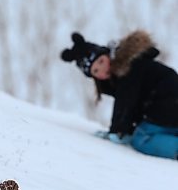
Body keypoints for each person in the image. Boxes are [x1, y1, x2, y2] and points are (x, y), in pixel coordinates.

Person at [61, 31, 178, 160]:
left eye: (101, 61)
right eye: (95, 71)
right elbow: (134, 104)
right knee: (146, 132)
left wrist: (117, 131)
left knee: (142, 138)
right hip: (166, 106)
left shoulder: (129, 68)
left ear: (107, 55)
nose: (102, 70)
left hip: (169, 101)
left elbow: (126, 102)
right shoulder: (124, 73)